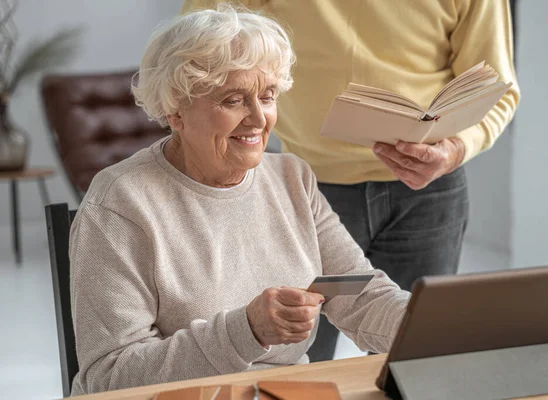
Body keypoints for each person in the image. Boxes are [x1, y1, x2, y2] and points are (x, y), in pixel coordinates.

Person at [68, 6, 411, 395]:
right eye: (233, 100)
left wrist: (436, 324)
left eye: (266, 96)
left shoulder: (292, 179)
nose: (258, 118)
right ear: (175, 111)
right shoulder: (120, 204)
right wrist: (245, 331)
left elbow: (361, 297)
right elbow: (110, 378)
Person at [181, 0, 521, 361]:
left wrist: (457, 147)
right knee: (293, 356)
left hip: (430, 194)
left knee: (416, 355)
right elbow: (191, 51)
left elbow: (499, 88)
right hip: (308, 192)